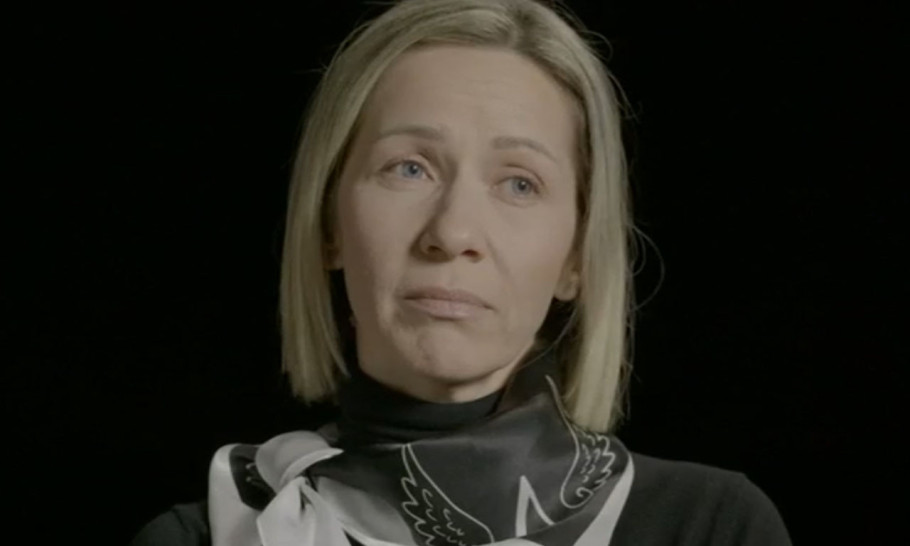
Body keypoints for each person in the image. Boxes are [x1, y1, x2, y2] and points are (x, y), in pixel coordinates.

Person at [130, 0, 792, 544]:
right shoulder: (210, 536)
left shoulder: (710, 527)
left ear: (576, 258)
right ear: (330, 224)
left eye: (519, 183)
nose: (452, 234)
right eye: (409, 168)